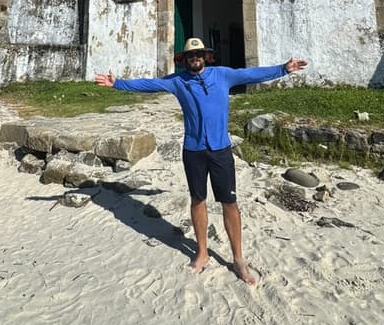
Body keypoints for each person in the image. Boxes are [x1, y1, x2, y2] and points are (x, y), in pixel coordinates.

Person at [95, 37, 307, 285]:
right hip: (193, 150)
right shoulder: (178, 81)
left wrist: (283, 69)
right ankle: (202, 252)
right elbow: (150, 84)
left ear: (206, 57)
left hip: (220, 150)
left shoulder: (223, 75)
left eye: (198, 54)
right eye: (190, 56)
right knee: (198, 200)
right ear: (184, 60)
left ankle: (238, 259)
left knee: (229, 203)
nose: (194, 58)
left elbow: (251, 74)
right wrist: (118, 83)